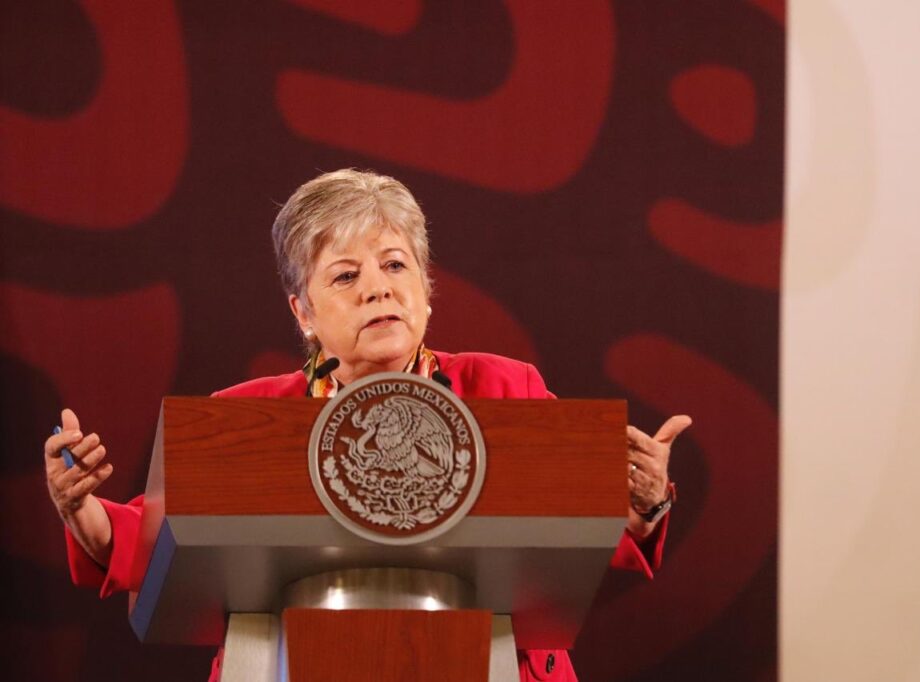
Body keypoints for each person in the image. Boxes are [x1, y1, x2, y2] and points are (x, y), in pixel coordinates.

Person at [44, 169, 692, 682]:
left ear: (427, 290)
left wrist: (642, 504)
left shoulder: (504, 390)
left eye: (395, 265)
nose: (378, 289)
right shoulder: (246, 417)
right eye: (346, 276)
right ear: (303, 311)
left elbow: (585, 522)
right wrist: (88, 518)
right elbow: (157, 536)